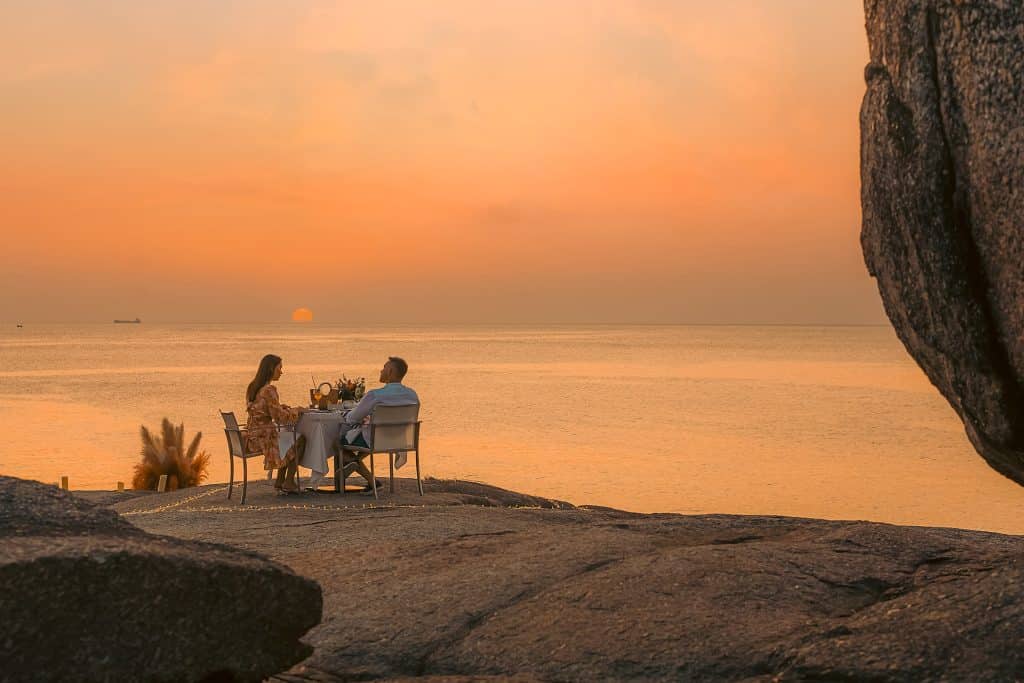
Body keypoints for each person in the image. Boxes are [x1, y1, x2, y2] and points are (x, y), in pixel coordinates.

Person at [339, 356, 419, 492]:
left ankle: (372, 481)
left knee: (338, 443)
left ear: (390, 371)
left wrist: (345, 413)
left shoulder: (375, 395)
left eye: (383, 368)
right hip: (400, 441)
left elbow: (353, 418)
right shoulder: (412, 395)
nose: (381, 371)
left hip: (375, 439)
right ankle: (354, 463)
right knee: (365, 440)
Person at [245, 354, 306, 493]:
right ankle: (289, 481)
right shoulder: (269, 390)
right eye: (280, 368)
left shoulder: (253, 387)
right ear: (272, 368)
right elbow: (281, 419)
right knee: (301, 439)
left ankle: (280, 481)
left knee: (287, 437)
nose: (281, 372)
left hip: (252, 436)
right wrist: (297, 410)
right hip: (264, 439)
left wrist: (280, 407)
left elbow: (264, 410)